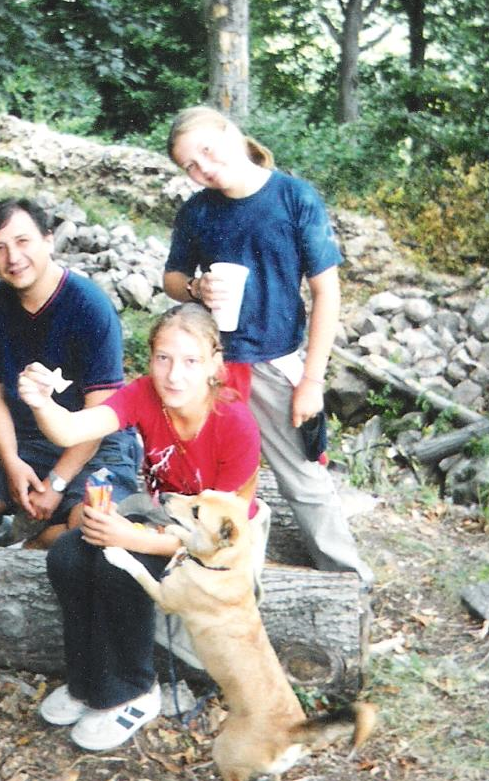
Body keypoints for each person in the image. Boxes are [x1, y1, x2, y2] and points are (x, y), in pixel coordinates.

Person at [17, 303, 261, 751]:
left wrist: (131, 537)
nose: (174, 375)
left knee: (118, 564)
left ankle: (134, 690)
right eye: (163, 358)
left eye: (190, 361)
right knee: (69, 553)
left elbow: (216, 542)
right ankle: (87, 680)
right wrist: (41, 403)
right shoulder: (146, 394)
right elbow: (72, 430)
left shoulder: (235, 425)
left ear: (214, 364)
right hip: (163, 517)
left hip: (218, 546)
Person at [162, 106, 373, 588]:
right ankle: (207, 573)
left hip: (275, 363)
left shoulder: (294, 197)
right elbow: (172, 277)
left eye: (207, 151)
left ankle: (348, 578)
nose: (204, 169)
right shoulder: (198, 211)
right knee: (205, 475)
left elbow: (327, 291)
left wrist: (312, 381)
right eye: (190, 165)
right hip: (211, 367)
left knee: (303, 475)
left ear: (231, 134)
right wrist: (194, 289)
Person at [0, 198, 139, 550]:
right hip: (23, 437)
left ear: (48, 240)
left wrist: (56, 483)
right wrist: (11, 462)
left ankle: (39, 539)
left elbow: (102, 412)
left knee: (93, 530)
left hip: (90, 441)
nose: (13, 257)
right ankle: (8, 523)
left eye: (23, 241)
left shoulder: (89, 306)